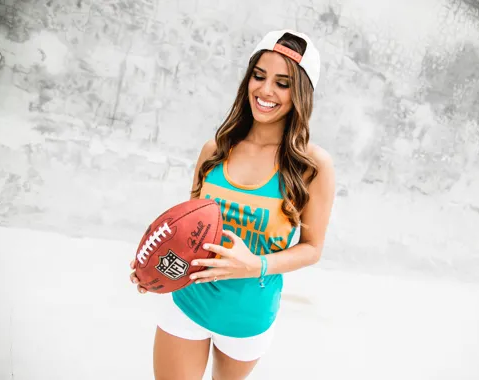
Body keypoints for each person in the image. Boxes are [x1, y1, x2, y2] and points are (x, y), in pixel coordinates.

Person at [129, 29, 335, 380]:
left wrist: (256, 264)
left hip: (248, 316)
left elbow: (312, 249)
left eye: (283, 83)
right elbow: (188, 231)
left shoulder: (312, 166)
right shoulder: (216, 150)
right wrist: (156, 265)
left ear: (301, 93)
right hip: (189, 302)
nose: (266, 90)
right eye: (259, 76)